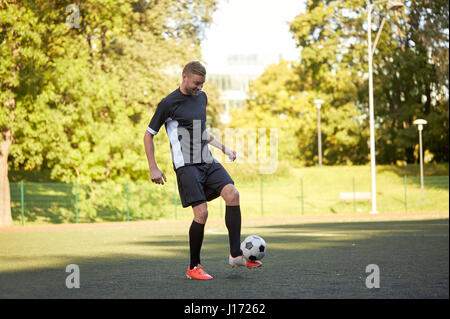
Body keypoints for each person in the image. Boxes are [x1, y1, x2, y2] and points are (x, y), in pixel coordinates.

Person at [143, 61, 262, 280]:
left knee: (232, 194)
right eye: (196, 83)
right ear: (184, 77)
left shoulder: (202, 97)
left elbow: (201, 131)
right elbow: (149, 134)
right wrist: (153, 167)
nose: (199, 88)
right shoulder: (168, 103)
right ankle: (193, 267)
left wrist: (225, 148)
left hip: (206, 160)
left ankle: (236, 254)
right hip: (186, 166)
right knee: (202, 213)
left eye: (202, 84)